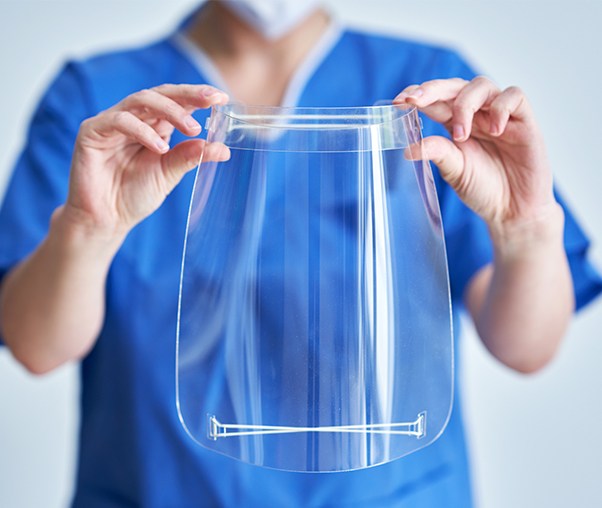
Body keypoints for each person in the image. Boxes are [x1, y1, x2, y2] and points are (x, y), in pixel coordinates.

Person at [0, 1, 600, 506]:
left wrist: (525, 228)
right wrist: (88, 229)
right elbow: (36, 345)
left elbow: (525, 347)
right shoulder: (102, 100)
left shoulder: (428, 91)